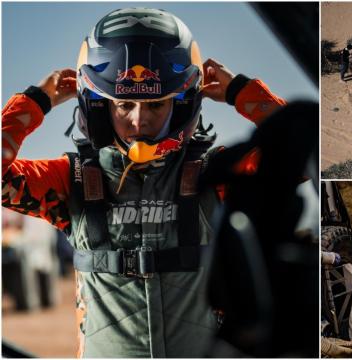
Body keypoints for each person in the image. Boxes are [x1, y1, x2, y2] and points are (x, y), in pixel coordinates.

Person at [2, 7, 286, 357]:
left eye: (156, 105)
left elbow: (299, 156)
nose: (139, 121)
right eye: (124, 104)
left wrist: (241, 92)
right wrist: (34, 102)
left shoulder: (214, 175)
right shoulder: (71, 180)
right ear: (100, 107)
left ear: (182, 105)